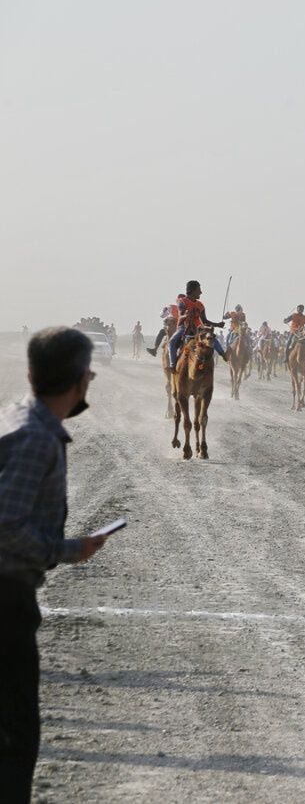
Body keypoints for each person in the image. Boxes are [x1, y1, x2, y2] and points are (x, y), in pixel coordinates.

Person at [1, 328, 109, 799]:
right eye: (89, 375)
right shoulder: (36, 438)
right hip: (5, 596)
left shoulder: (20, 418)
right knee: (14, 738)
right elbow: (5, 526)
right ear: (80, 380)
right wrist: (68, 550)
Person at [168, 280, 226, 367]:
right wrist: (186, 315)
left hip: (198, 328)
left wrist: (218, 324)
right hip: (183, 328)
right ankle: (173, 365)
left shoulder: (200, 305)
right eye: (199, 290)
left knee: (211, 338)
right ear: (192, 290)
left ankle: (223, 354)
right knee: (172, 342)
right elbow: (180, 318)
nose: (201, 292)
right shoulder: (182, 302)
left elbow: (205, 320)